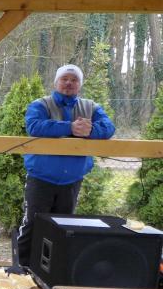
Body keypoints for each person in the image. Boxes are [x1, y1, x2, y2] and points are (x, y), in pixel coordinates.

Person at [17, 64, 116, 267]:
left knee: (62, 228)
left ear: (80, 85)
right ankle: (22, 268)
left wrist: (90, 131)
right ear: (56, 82)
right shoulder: (40, 104)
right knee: (32, 225)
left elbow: (108, 127)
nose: (69, 83)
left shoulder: (91, 107)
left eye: (74, 80)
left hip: (72, 180)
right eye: (64, 79)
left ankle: (52, 271)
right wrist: (70, 127)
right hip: (41, 178)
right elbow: (34, 126)